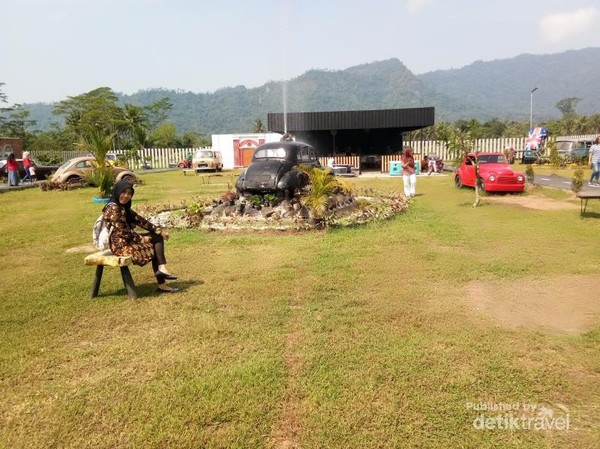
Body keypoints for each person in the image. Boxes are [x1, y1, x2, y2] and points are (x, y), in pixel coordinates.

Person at [102, 180, 179, 293]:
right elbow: (122, 231)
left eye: (129, 193)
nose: (126, 196)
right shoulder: (113, 208)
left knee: (157, 237)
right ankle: (162, 280)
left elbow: (140, 220)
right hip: (120, 246)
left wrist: (159, 230)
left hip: (127, 241)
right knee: (155, 246)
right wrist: (141, 239)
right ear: (117, 191)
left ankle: (162, 269)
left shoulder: (123, 208)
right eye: (123, 192)